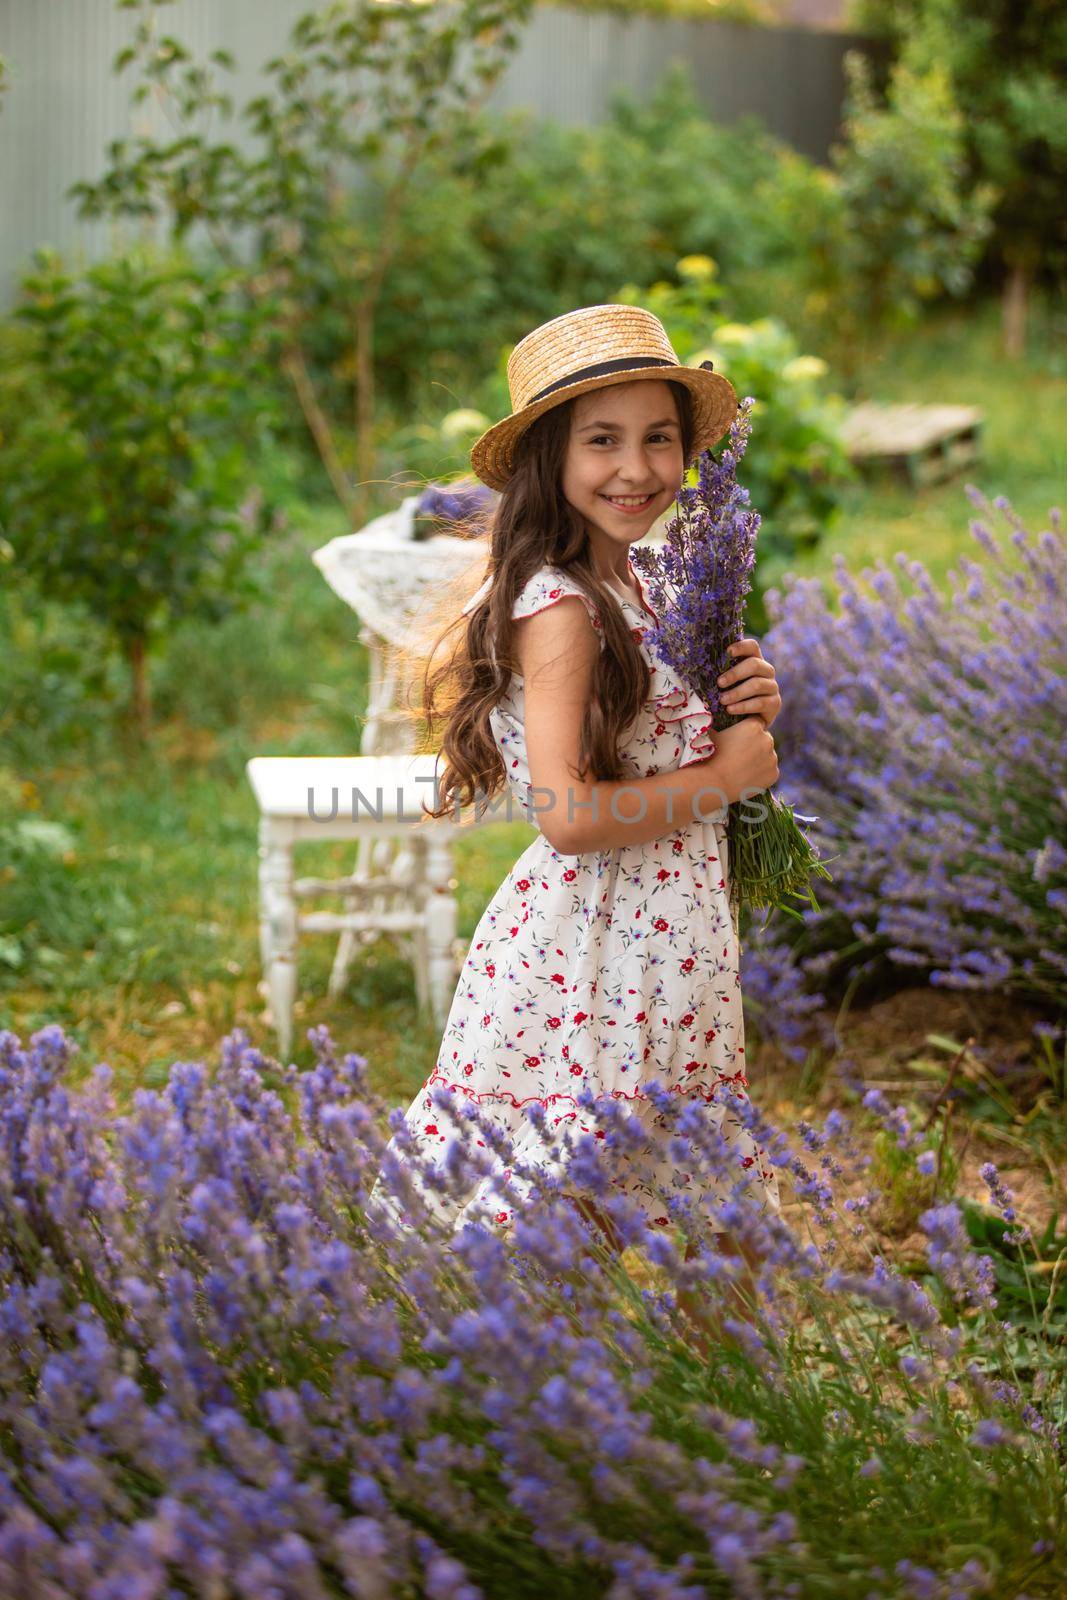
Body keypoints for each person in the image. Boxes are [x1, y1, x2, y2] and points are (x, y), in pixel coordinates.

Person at [367, 305, 784, 1326]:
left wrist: (740, 708)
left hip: (660, 934)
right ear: (550, 458)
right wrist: (726, 776)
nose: (635, 467)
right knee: (593, 1214)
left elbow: (651, 740)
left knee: (683, 1203)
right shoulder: (558, 606)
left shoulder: (632, 579)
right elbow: (563, 814)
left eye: (658, 438)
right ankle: (583, 1415)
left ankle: (704, 1412)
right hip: (595, 944)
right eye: (601, 439)